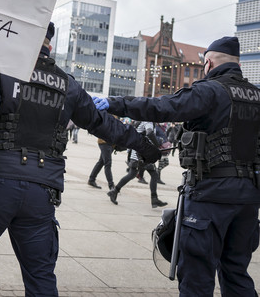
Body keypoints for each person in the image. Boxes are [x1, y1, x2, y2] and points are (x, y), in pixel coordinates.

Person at [0, 23, 162, 296]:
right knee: (40, 275)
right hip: (41, 192)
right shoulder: (67, 84)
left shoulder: (0, 73)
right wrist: (143, 145)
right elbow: (102, 124)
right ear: (49, 45)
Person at [93, 36, 260, 296]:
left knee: (196, 277)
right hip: (249, 200)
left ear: (209, 62)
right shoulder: (256, 96)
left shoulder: (210, 90)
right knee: (237, 274)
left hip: (210, 196)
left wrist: (115, 103)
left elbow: (163, 106)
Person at [105, 121, 168, 208]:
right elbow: (149, 133)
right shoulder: (148, 121)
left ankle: (114, 191)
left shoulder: (147, 121)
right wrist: (158, 145)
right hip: (142, 154)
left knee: (132, 174)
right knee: (153, 175)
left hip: (139, 153)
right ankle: (154, 199)